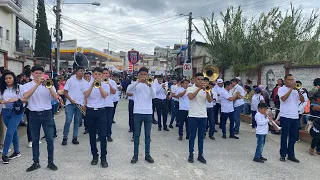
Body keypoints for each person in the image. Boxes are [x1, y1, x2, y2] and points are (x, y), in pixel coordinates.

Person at [23, 65, 58, 172]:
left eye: (40, 73)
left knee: (50, 139)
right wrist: (37, 85)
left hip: (47, 113)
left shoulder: (48, 84)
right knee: (35, 140)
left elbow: (55, 97)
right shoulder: (27, 85)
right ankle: (36, 162)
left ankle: (50, 162)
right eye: (36, 73)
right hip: (33, 114)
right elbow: (25, 96)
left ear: (43, 74)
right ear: (32, 74)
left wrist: (49, 87)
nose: (38, 75)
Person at [127, 67, 156, 164]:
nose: (144, 76)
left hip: (148, 113)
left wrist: (150, 85)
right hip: (138, 112)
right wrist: (138, 81)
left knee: (148, 135)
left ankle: (147, 155)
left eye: (145, 74)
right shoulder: (135, 84)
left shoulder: (152, 84)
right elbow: (128, 90)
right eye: (141, 74)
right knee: (136, 135)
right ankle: (135, 155)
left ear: (148, 75)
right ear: (138, 75)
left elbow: (154, 96)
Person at [84, 67, 109, 168]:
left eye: (99, 74)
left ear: (102, 75)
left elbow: (104, 96)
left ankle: (103, 158)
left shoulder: (105, 84)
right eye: (96, 74)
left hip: (101, 111)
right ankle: (95, 156)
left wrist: (100, 86)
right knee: (92, 136)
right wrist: (92, 85)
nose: (97, 76)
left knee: (103, 136)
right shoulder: (86, 84)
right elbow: (86, 95)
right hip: (90, 111)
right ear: (92, 75)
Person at [0, 71, 27, 164]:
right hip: (5, 112)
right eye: (6, 78)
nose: (8, 80)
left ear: (14, 78)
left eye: (9, 78)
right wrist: (1, 101)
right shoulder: (2, 88)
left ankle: (4, 154)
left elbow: (26, 99)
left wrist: (16, 99)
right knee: (13, 130)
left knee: (9, 132)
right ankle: (17, 151)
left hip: (17, 112)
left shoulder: (20, 87)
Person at [186, 73, 213, 164]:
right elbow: (190, 97)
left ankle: (200, 155)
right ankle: (191, 154)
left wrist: (207, 91)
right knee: (192, 136)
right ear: (194, 79)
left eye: (202, 80)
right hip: (193, 116)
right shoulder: (190, 88)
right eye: (199, 79)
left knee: (201, 137)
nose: (201, 81)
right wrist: (199, 89)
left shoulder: (206, 89)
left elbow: (209, 100)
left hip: (203, 116)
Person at [278, 74, 304, 163]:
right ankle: (283, 154)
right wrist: (291, 89)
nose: (292, 81)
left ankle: (291, 155)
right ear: (285, 81)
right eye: (289, 79)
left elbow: (302, 100)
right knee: (284, 136)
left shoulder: (296, 90)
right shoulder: (281, 89)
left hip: (295, 116)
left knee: (293, 137)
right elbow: (283, 99)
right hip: (285, 116)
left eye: (293, 79)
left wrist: (298, 91)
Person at [62, 66, 87, 146]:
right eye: (80, 71)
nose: (82, 72)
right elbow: (65, 92)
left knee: (77, 121)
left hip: (79, 104)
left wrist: (84, 104)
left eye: (83, 71)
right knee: (68, 120)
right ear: (76, 72)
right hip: (70, 104)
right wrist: (71, 100)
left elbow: (85, 95)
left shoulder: (85, 82)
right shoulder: (70, 80)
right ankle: (65, 137)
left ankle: (75, 137)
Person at [102, 68, 116, 142]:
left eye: (106, 73)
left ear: (109, 74)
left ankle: (108, 135)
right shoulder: (98, 82)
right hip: (100, 105)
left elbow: (113, 92)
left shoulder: (112, 82)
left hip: (109, 104)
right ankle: (100, 135)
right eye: (103, 73)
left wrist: (108, 84)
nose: (105, 75)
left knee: (108, 121)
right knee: (100, 122)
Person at [126, 77, 136, 141]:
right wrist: (134, 94)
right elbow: (127, 93)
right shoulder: (130, 85)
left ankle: (134, 128)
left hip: (136, 102)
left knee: (134, 116)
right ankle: (131, 127)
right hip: (131, 101)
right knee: (131, 115)